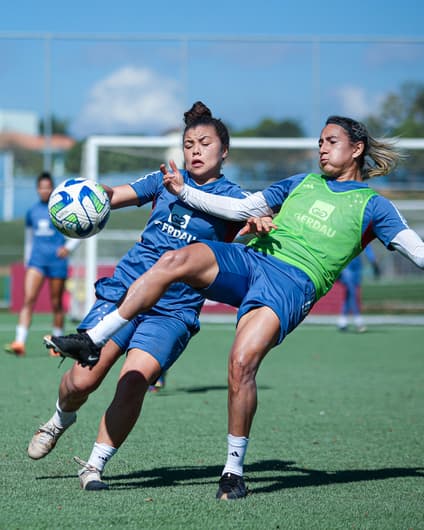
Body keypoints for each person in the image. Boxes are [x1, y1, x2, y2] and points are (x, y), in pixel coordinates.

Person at [49, 115, 424, 500]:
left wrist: (192, 194)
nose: (322, 149)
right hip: (251, 261)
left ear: (356, 149)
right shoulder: (301, 182)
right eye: (320, 143)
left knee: (241, 364)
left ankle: (233, 471)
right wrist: (185, 191)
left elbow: (417, 251)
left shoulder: (375, 207)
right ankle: (93, 336)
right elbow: (239, 209)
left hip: (293, 285)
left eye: (330, 142)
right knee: (175, 261)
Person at [28, 101, 249, 490]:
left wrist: (259, 224)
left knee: (134, 380)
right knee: (82, 382)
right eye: (189, 143)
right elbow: (113, 196)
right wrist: (82, 196)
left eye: (204, 143)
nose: (195, 150)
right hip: (124, 291)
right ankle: (59, 419)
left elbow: (249, 230)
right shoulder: (165, 178)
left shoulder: (235, 201)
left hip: (173, 309)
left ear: (224, 150)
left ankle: (93, 466)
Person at [4, 172, 79, 357]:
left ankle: (58, 345)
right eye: (41, 187)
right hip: (37, 261)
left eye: (47, 186)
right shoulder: (32, 212)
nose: (44, 190)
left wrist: (68, 247)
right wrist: (28, 259)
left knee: (56, 304)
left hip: (57, 262)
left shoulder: (61, 209)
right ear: (37, 189)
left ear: (52, 188)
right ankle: (19, 342)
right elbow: (29, 238)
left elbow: (78, 229)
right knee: (28, 299)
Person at [337, 245, 380, 332]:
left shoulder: (361, 234)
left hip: (357, 268)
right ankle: (358, 321)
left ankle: (342, 321)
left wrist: (374, 262)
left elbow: (367, 248)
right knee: (352, 292)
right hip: (346, 267)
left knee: (349, 294)